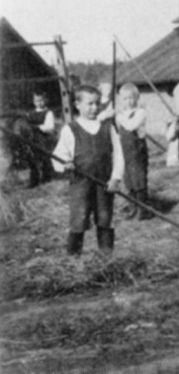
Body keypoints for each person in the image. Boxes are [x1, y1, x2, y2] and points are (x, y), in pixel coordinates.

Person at [53, 85, 124, 255]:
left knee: (105, 219)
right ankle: (73, 258)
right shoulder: (70, 129)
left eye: (97, 103)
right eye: (90, 104)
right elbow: (58, 156)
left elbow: (118, 154)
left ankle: (107, 256)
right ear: (77, 104)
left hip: (104, 183)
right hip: (80, 183)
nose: (94, 107)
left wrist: (116, 178)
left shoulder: (108, 127)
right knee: (79, 219)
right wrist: (66, 164)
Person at [115, 83, 152, 220]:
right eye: (125, 99)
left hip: (137, 151)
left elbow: (131, 126)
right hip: (126, 152)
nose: (128, 101)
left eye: (131, 98)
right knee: (129, 180)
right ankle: (133, 207)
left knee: (139, 179)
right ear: (121, 100)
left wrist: (118, 117)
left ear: (137, 98)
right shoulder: (121, 115)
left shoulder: (140, 112)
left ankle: (143, 209)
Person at [27, 91, 56, 187]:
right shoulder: (30, 114)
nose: (39, 103)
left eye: (41, 100)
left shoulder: (48, 113)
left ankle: (46, 177)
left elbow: (50, 127)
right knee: (32, 158)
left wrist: (38, 127)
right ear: (33, 101)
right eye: (37, 101)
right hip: (32, 138)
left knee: (44, 158)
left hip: (44, 137)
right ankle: (34, 179)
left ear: (46, 100)